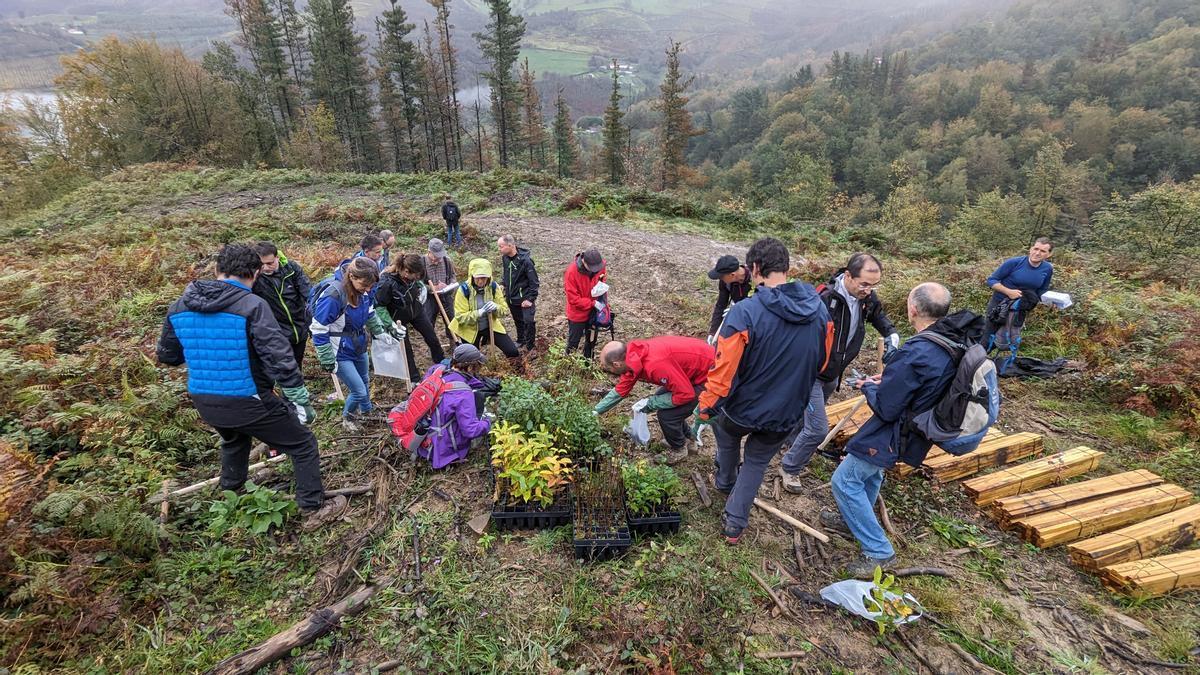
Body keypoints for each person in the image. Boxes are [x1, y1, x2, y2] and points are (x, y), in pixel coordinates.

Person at [156, 244, 345, 530]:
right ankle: (312, 506)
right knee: (303, 443)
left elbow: (168, 356)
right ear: (256, 274)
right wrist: (299, 399)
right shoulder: (252, 306)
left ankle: (232, 495)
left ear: (218, 270)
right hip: (248, 398)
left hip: (204, 400)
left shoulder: (179, 306)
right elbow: (279, 358)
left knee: (234, 440)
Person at [825, 283, 983, 578]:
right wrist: (887, 381)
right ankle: (853, 520)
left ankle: (878, 552)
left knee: (845, 481)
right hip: (919, 426)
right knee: (870, 473)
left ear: (913, 308)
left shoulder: (919, 349)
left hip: (897, 428)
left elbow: (887, 407)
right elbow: (919, 384)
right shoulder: (953, 340)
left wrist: (871, 387)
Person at [695, 237, 831, 545]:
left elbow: (723, 371)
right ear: (786, 268)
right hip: (786, 411)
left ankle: (725, 480)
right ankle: (734, 524)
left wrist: (705, 407)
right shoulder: (820, 311)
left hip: (741, 408)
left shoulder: (744, 312)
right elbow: (822, 363)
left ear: (754, 268)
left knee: (727, 436)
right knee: (756, 461)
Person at [779, 253, 899, 492]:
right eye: (864, 283)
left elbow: (882, 320)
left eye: (874, 285)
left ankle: (789, 443)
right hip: (810, 373)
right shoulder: (824, 298)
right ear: (847, 276)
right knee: (817, 429)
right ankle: (789, 467)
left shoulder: (867, 299)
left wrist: (892, 338)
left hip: (833, 373)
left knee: (805, 419)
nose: (869, 290)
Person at [311, 257, 402, 431]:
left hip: (359, 343)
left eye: (370, 286)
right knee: (358, 391)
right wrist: (326, 356)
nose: (368, 289)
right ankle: (348, 418)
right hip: (339, 349)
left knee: (365, 380)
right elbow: (319, 327)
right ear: (351, 277)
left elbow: (369, 313)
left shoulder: (364, 292)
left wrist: (380, 333)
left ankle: (367, 411)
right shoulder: (333, 296)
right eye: (364, 285)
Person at [594, 337, 715, 464]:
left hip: (711, 376)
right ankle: (689, 439)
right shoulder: (633, 357)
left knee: (667, 415)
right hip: (691, 373)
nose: (609, 371)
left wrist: (652, 403)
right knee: (665, 401)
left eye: (608, 368)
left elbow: (686, 394)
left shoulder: (655, 365)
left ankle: (679, 449)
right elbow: (620, 390)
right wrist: (596, 412)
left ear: (616, 364)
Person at [421, 344, 494, 469]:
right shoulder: (463, 392)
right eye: (477, 366)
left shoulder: (436, 370)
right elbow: (470, 430)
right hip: (441, 450)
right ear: (470, 367)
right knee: (483, 417)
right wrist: (488, 422)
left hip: (423, 437)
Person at [376, 253, 446, 377]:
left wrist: (423, 288)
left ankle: (441, 362)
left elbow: (417, 283)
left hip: (416, 310)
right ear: (406, 271)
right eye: (416, 276)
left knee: (432, 337)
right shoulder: (386, 283)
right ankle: (414, 377)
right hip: (398, 318)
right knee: (406, 349)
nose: (417, 278)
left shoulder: (412, 277)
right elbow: (379, 307)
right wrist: (390, 325)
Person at [983, 238, 1054, 350]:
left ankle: (991, 362)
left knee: (1005, 339)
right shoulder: (1014, 262)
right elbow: (991, 280)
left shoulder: (1048, 268)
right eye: (1036, 248)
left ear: (1049, 254)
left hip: (1020, 309)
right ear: (1031, 249)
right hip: (999, 306)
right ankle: (973, 362)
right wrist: (1008, 292)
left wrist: (1051, 300)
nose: (1037, 253)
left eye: (1043, 251)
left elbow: (1041, 290)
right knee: (987, 338)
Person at [252, 241, 312, 368]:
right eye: (261, 264)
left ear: (277, 258)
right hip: (276, 332)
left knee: (297, 364)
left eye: (270, 263)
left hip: (299, 328)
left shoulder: (291, 268)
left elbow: (307, 293)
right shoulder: (254, 278)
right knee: (283, 368)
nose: (266, 267)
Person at [448, 258, 521, 359]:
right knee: (472, 358)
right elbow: (460, 317)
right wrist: (479, 312)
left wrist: (496, 307)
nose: (481, 281)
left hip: (490, 325)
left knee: (512, 351)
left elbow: (504, 310)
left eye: (484, 278)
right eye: (478, 277)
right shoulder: (463, 290)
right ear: (472, 275)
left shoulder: (493, 287)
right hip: (469, 329)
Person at [498, 234, 540, 352]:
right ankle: (521, 340)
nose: (499, 249)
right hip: (512, 297)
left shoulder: (526, 261)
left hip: (525, 298)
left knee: (528, 321)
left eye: (501, 246)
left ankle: (530, 346)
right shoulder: (505, 258)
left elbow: (534, 282)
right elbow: (506, 274)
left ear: (510, 245)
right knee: (518, 321)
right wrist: (503, 284)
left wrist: (530, 299)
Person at [563, 248, 607, 359]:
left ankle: (587, 362)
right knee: (573, 342)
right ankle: (568, 363)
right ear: (583, 261)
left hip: (594, 311)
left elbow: (602, 281)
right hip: (577, 314)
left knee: (591, 340)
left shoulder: (599, 266)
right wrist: (592, 303)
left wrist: (602, 301)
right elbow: (573, 299)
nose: (595, 271)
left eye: (597, 269)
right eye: (592, 269)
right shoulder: (571, 272)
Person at [706, 255, 754, 344]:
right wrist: (713, 332)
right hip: (738, 318)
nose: (720, 279)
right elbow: (721, 305)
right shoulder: (726, 282)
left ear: (732, 275)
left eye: (721, 277)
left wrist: (738, 310)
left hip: (753, 322)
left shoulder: (755, 280)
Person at [423, 238, 458, 342]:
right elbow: (417, 283)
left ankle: (453, 341)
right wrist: (431, 288)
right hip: (429, 298)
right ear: (429, 252)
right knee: (429, 321)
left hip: (445, 295)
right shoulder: (421, 263)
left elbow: (453, 276)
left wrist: (449, 284)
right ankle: (432, 343)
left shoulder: (447, 261)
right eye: (435, 256)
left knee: (451, 319)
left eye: (440, 256)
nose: (438, 259)